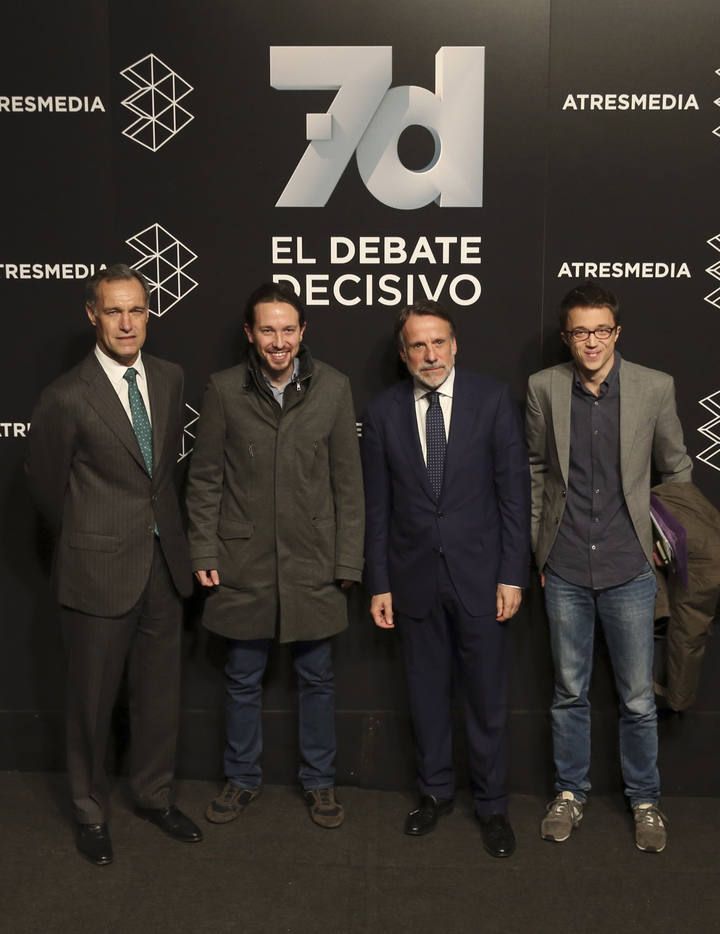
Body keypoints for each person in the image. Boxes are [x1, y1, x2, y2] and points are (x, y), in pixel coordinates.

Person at [26, 264, 202, 866]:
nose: (127, 323)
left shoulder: (171, 377)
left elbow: (161, 478)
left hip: (163, 562)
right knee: (91, 700)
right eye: (114, 311)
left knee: (159, 693)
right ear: (92, 315)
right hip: (97, 567)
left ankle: (154, 796)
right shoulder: (66, 396)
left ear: (148, 313)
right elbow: (48, 489)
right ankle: (89, 810)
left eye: (137, 310)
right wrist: (94, 538)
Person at [186, 281, 364, 829]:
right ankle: (241, 779)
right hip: (244, 563)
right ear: (250, 333)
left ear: (302, 331)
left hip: (314, 561)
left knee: (317, 678)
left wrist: (348, 562)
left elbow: (348, 485)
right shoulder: (222, 390)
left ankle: (320, 783)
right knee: (241, 677)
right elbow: (205, 480)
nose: (279, 340)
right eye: (268, 329)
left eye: (288, 329)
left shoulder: (334, 387)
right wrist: (203, 548)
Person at [526, 282, 692, 853]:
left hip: (630, 569)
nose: (590, 341)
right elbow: (534, 469)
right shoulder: (543, 388)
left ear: (616, 333)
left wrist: (662, 541)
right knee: (569, 691)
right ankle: (570, 792)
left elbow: (677, 471)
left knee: (638, 698)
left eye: (600, 330)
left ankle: (645, 801)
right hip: (565, 567)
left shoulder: (653, 387)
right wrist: (538, 549)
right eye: (579, 331)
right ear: (567, 336)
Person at [361, 300, 530, 858]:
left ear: (455, 345)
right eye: (417, 346)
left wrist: (512, 574)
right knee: (426, 694)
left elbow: (514, 496)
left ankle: (492, 805)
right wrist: (379, 582)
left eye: (438, 343)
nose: (430, 355)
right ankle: (434, 793)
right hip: (412, 580)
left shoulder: (492, 399)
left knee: (485, 698)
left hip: (482, 578)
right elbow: (377, 508)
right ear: (403, 353)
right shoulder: (383, 412)